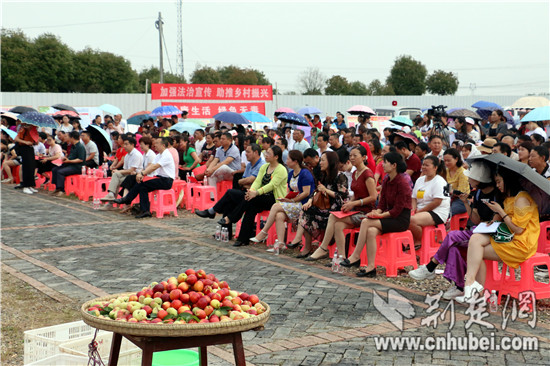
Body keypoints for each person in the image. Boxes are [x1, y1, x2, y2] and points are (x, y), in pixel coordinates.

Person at [408, 161, 499, 300]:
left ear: (480, 180)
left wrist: (496, 213)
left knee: (452, 235)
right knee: (453, 248)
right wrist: (466, 203)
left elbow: (496, 221)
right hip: (478, 231)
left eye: (471, 178)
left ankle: (431, 267)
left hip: (489, 235)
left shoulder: (497, 195)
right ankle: (459, 286)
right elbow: (476, 220)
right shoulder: (478, 193)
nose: (468, 179)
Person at [455, 168, 540, 303]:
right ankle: (472, 285)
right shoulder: (510, 197)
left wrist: (500, 211)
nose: (498, 185)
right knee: (475, 239)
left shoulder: (521, 199)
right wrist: (494, 218)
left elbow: (518, 229)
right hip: (509, 235)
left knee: (477, 251)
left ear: (508, 181)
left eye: (499, 181)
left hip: (520, 243)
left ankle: (477, 291)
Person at [340, 152, 412, 277]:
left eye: (385, 162)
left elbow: (397, 210)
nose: (382, 165)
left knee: (366, 221)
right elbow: (382, 203)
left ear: (394, 165)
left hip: (400, 219)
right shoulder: (386, 179)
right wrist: (377, 212)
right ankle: (371, 267)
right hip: (388, 216)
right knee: (371, 231)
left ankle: (356, 256)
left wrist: (380, 216)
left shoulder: (402, 183)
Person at [305, 145, 377, 261]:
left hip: (365, 212)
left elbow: (373, 197)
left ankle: (323, 248)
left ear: (364, 157)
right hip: (355, 209)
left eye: (355, 156)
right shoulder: (355, 173)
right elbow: (355, 195)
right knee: (338, 225)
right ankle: (342, 257)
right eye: (351, 156)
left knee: (333, 216)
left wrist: (353, 204)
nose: (352, 158)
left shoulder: (367, 174)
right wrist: (349, 204)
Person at [250, 150, 315, 246]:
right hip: (294, 203)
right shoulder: (291, 173)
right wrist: (286, 198)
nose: (286, 161)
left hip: (304, 204)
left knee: (276, 206)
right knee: (279, 215)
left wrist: (291, 200)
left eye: (288, 159)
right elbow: (290, 190)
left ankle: (264, 232)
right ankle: (281, 243)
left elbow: (306, 193)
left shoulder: (305, 173)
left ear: (295, 161)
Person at [292, 151, 349, 258]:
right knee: (306, 209)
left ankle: (303, 243)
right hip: (323, 207)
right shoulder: (324, 175)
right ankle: (306, 246)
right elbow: (316, 191)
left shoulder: (340, 176)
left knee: (307, 214)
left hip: (335, 210)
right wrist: (310, 200)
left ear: (331, 162)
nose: (320, 163)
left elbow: (343, 197)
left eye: (323, 160)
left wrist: (326, 190)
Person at [113, 137, 175, 218]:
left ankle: (128, 199)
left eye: (157, 143)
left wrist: (142, 173)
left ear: (163, 145)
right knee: (142, 186)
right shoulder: (159, 155)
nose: (154, 145)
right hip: (159, 178)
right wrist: (142, 174)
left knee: (142, 185)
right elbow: (152, 165)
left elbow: (155, 167)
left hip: (166, 181)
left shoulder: (166, 154)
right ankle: (144, 210)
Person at [409, 156, 451, 246]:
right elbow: (414, 198)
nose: (423, 167)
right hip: (420, 210)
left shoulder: (439, 181)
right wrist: (413, 209)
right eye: (423, 165)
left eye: (427, 165)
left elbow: (437, 202)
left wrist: (419, 211)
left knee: (411, 220)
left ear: (435, 168)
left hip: (437, 211)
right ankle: (412, 240)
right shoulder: (420, 180)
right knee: (403, 218)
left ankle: (418, 242)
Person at [101, 135, 143, 202]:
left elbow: (131, 170)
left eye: (126, 144)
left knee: (116, 177)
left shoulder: (136, 155)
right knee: (115, 175)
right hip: (128, 175)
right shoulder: (127, 155)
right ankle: (111, 195)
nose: (124, 146)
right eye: (124, 144)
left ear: (132, 145)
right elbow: (125, 169)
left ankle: (111, 201)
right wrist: (116, 171)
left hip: (135, 176)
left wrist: (118, 171)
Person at [51, 131, 86, 196]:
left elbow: (80, 159)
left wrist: (69, 161)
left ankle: (62, 190)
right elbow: (71, 157)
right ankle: (57, 187)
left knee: (60, 172)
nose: (68, 139)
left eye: (69, 137)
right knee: (55, 169)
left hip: (77, 167)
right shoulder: (72, 146)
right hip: (70, 164)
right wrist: (65, 158)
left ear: (72, 138)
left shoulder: (80, 147)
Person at [444, 148, 470, 215]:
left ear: (456, 159)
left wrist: (450, 192)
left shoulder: (463, 172)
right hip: (448, 197)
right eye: (445, 161)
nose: (446, 163)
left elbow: (461, 192)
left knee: (448, 212)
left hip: (462, 200)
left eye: (449, 160)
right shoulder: (445, 171)